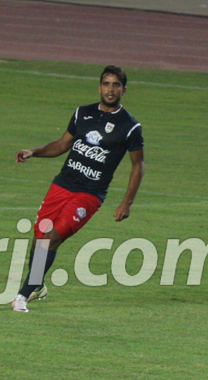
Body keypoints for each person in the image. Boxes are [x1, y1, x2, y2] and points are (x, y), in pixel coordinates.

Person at [12, 65, 145, 312]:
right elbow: (62, 144)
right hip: (62, 184)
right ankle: (38, 285)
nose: (110, 89)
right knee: (39, 238)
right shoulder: (82, 114)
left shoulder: (130, 127)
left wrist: (127, 202)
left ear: (124, 90)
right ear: (99, 87)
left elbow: (138, 165)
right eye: (106, 84)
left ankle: (23, 293)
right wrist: (34, 151)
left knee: (51, 240)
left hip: (89, 194)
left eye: (116, 85)